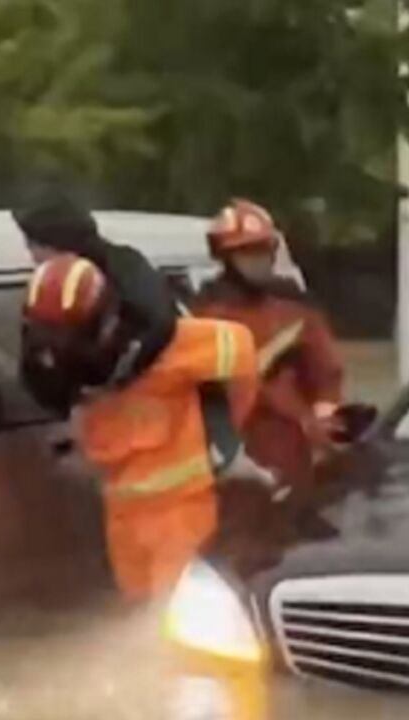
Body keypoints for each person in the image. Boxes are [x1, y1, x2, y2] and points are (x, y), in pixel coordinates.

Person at [21, 254, 263, 600]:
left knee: (179, 618)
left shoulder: (169, 346)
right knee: (137, 610)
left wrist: (228, 425)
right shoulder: (67, 369)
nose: (59, 347)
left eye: (67, 336)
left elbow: (241, 350)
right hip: (122, 514)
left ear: (104, 322)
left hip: (181, 513)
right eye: (49, 335)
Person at [191, 199, 346, 499]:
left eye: (264, 250)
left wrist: (325, 421)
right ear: (225, 256)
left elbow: (328, 377)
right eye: (248, 252)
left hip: (290, 459)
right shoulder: (200, 319)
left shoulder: (296, 311)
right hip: (225, 467)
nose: (259, 260)